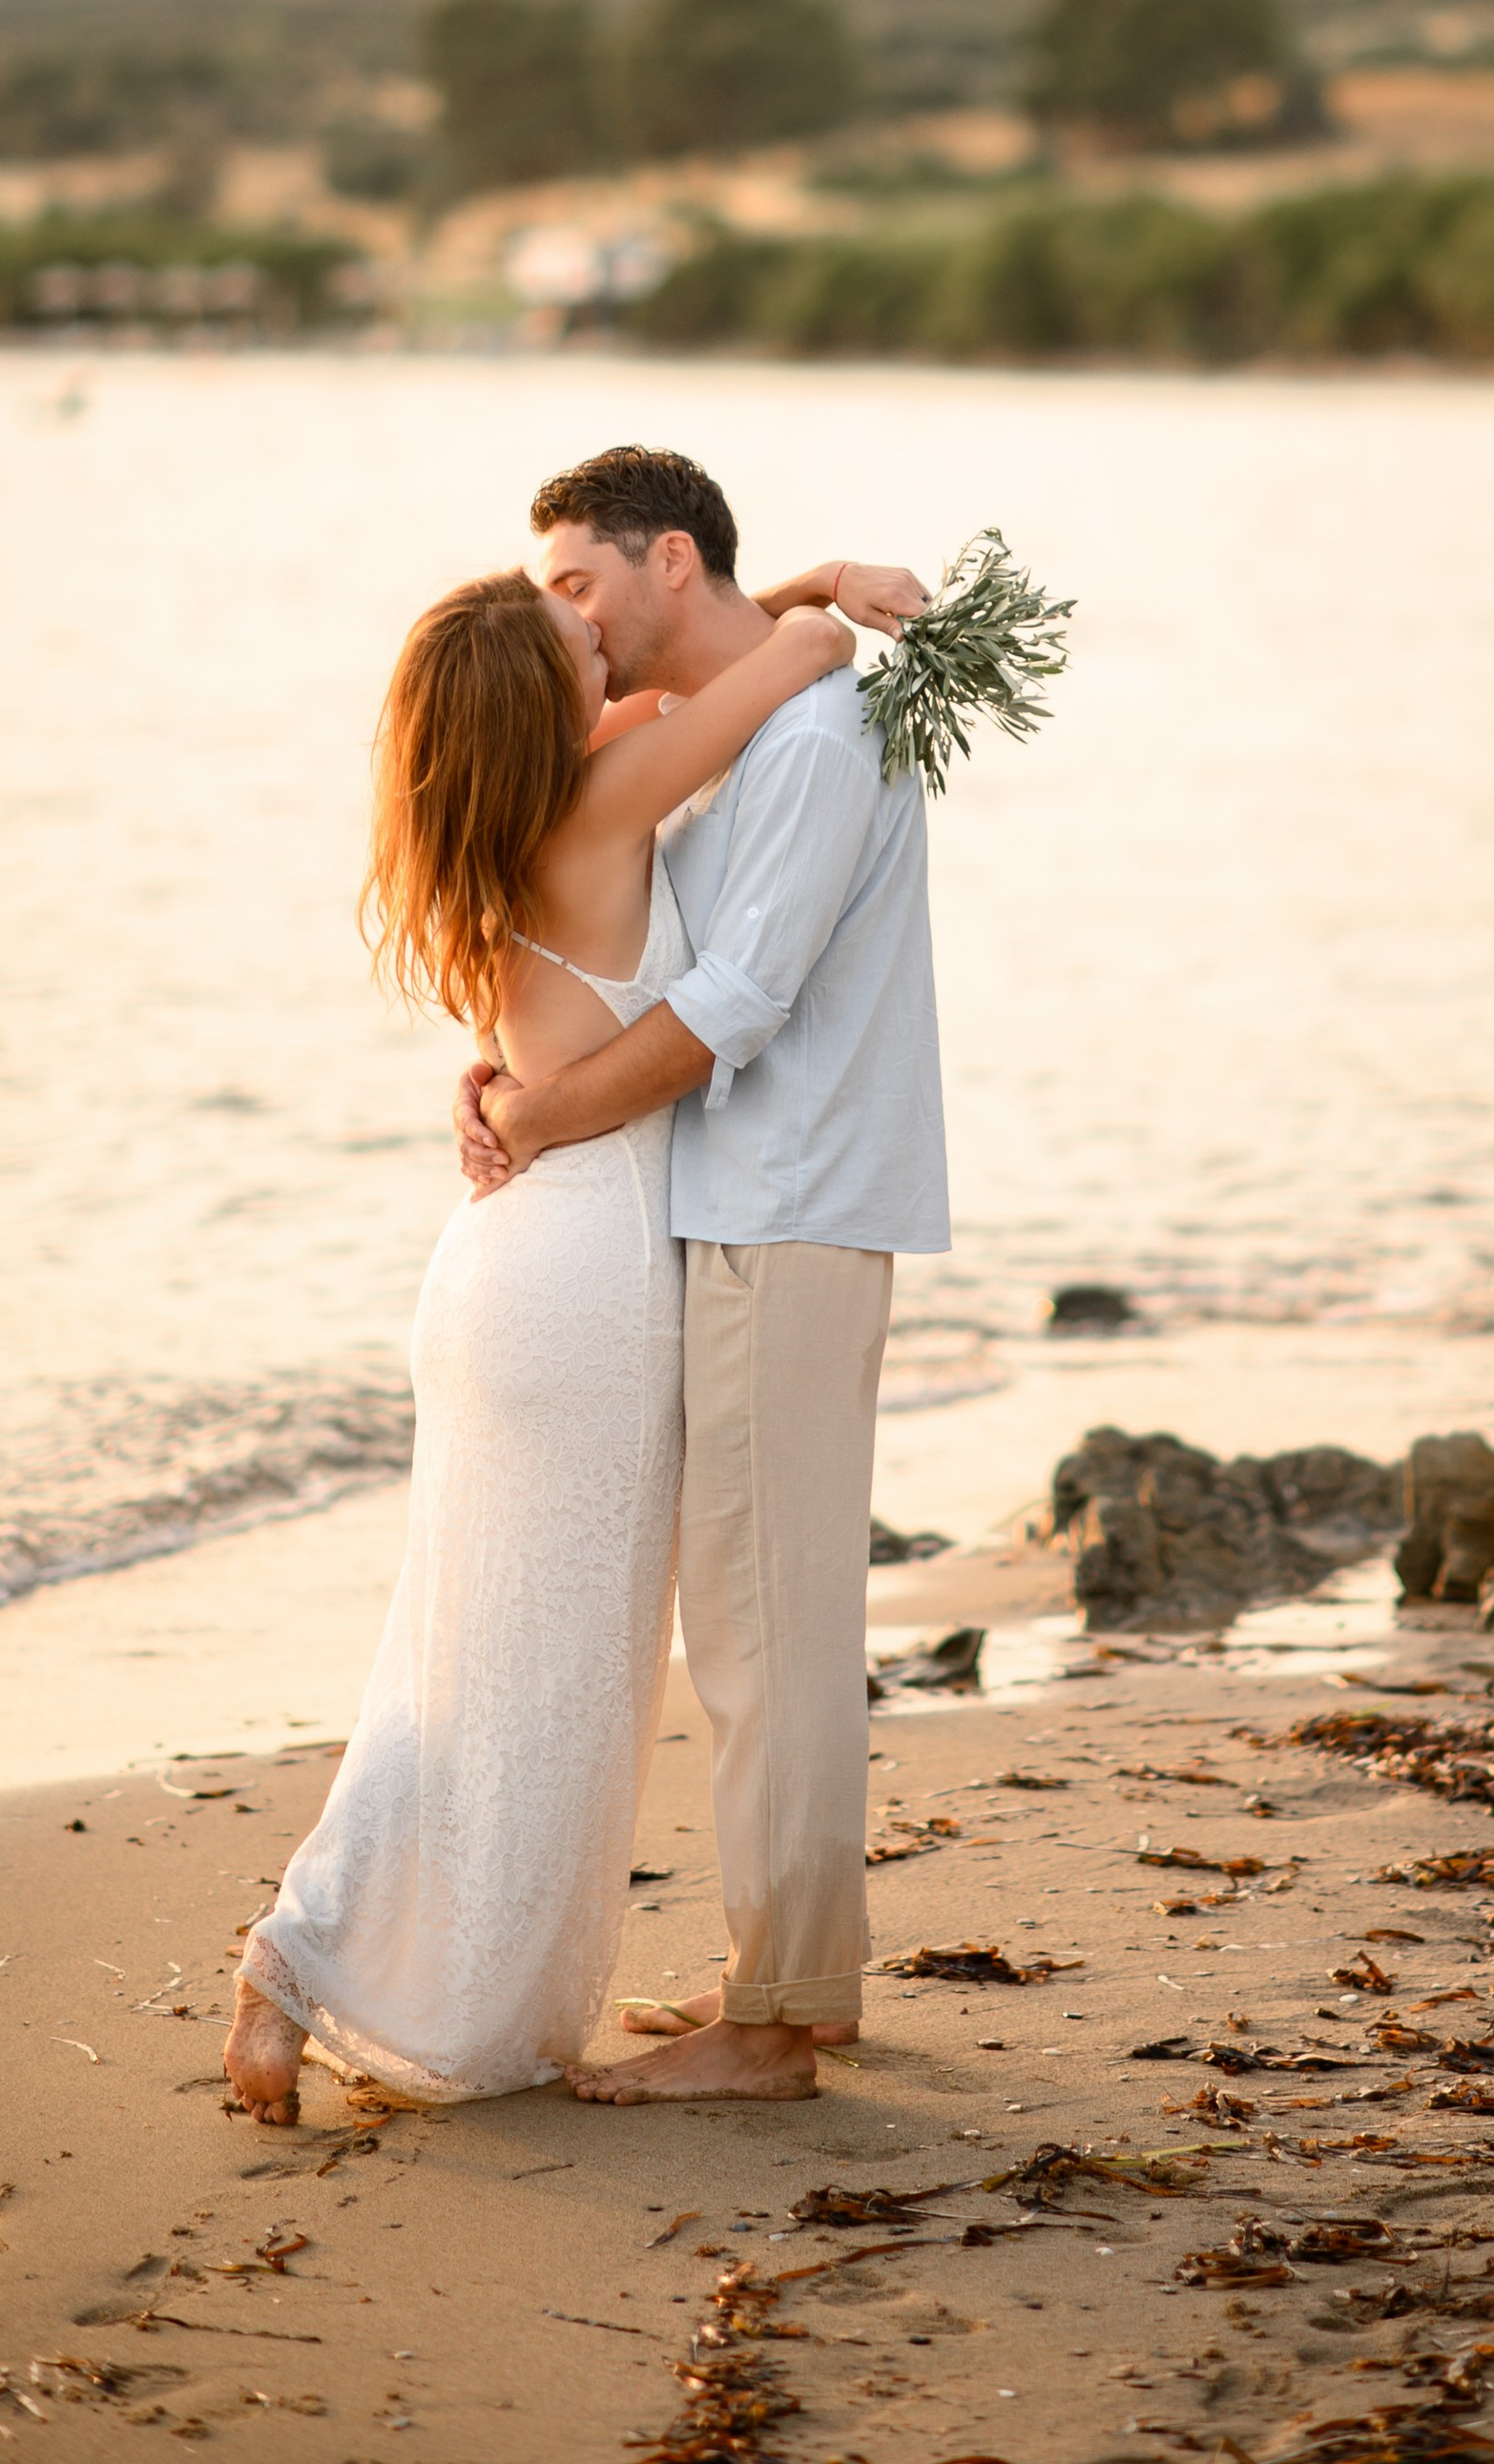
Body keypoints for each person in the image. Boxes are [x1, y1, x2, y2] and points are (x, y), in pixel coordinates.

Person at [221, 519, 917, 2122]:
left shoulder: (506, 823)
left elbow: (700, 670)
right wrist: (824, 590)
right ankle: (310, 1961)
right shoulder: (604, 794)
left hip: (498, 1274)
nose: (600, 641)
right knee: (542, 1676)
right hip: (588, 1283)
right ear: (540, 704)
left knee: (462, 1650)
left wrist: (748, 606)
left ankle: (303, 1958)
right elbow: (797, 660)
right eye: (571, 639)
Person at [453, 443, 949, 2108]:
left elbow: (738, 1004)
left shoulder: (809, 740)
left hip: (784, 1209)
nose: (565, 619)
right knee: (762, 1608)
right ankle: (798, 1979)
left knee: (766, 1627)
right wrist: (512, 1074)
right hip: (751, 1204)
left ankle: (779, 2025)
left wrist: (538, 1120)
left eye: (576, 583)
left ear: (670, 559)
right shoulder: (744, 725)